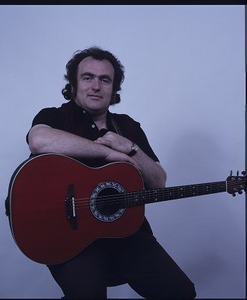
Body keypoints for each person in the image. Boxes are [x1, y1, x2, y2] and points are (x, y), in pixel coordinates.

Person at [27, 46, 196, 299]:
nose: (96, 86)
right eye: (88, 77)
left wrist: (129, 147)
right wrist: (106, 153)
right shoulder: (55, 116)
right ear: (73, 84)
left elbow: (159, 182)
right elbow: (38, 140)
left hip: (127, 234)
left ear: (114, 88)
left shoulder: (128, 126)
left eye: (105, 79)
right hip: (71, 239)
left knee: (180, 292)